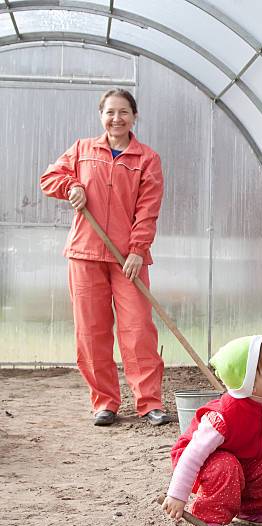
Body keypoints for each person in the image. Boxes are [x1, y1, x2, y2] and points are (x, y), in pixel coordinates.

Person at [40, 89, 169, 427]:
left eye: (123, 112)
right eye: (110, 112)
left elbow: (148, 208)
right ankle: (105, 403)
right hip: (85, 253)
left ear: (134, 116)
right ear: (101, 115)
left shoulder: (146, 159)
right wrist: (71, 186)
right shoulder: (83, 150)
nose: (116, 118)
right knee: (92, 332)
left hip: (128, 259)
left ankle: (149, 402)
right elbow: (48, 179)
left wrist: (138, 251)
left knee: (138, 330)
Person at [162, 335, 262, 526]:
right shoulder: (222, 417)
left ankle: (248, 509)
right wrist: (177, 496)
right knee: (226, 466)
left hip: (241, 460)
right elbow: (192, 456)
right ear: (250, 384)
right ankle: (209, 517)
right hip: (206, 465)